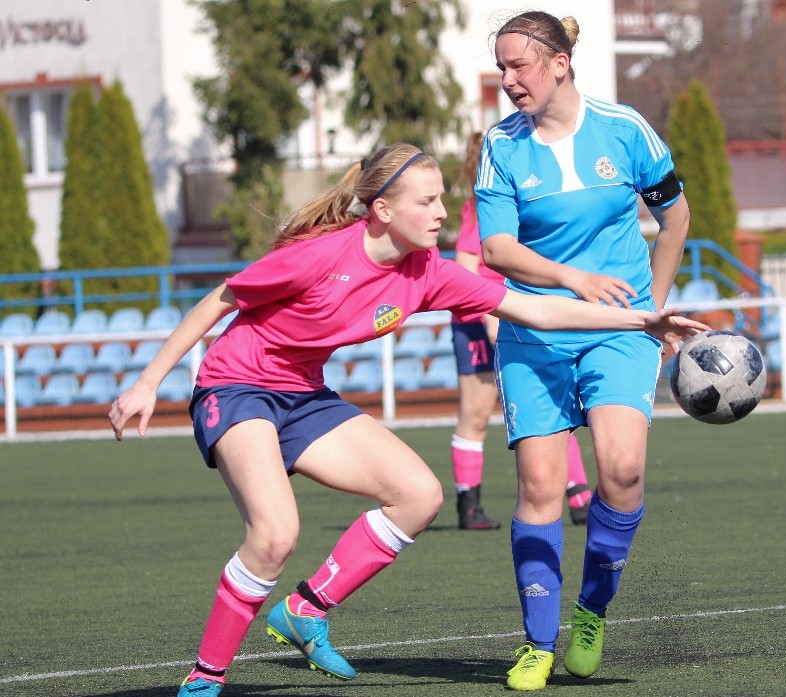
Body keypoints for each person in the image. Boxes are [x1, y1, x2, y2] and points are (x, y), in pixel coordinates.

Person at [107, 142, 706, 697]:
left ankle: (306, 610)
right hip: (237, 387)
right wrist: (148, 381)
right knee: (275, 535)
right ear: (383, 210)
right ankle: (205, 678)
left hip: (304, 394)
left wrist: (644, 321)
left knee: (419, 496)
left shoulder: (428, 272)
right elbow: (221, 300)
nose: (442, 212)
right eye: (427, 201)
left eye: (442, 198)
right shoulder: (318, 255)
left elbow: (534, 311)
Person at [476, 12, 695, 690]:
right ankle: (538, 643)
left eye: (519, 65)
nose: (508, 79)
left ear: (559, 63)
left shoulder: (624, 129)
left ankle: (592, 611)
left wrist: (651, 310)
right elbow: (496, 249)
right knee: (541, 487)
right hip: (534, 331)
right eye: (501, 67)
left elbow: (675, 217)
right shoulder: (500, 145)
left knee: (622, 471)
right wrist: (572, 278)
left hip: (617, 331)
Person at [450, 131, 594, 530]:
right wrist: (488, 316)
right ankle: (468, 504)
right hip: (482, 321)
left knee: (553, 401)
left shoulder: (528, 201)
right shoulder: (483, 204)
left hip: (522, 314)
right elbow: (465, 264)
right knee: (477, 413)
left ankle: (579, 494)